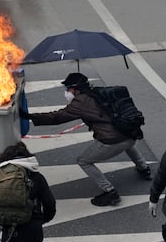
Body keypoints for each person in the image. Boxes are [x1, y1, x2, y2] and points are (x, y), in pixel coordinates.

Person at [19, 72, 152, 206]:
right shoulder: (97, 93)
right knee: (125, 141)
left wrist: (30, 117)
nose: (67, 92)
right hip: (130, 135)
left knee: (84, 161)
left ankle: (110, 192)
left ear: (76, 89)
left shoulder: (80, 102)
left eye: (68, 89)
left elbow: (57, 117)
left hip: (112, 141)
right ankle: (144, 168)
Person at [0, 142, 56, 242]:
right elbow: (50, 204)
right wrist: (41, 220)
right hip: (33, 232)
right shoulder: (37, 177)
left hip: (11, 234)